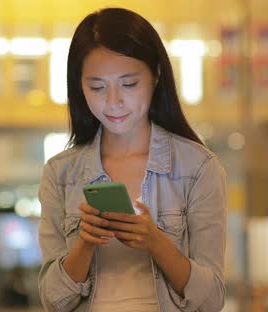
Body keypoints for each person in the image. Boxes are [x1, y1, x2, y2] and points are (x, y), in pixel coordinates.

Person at [37, 7, 226, 312]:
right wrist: (84, 243)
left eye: (129, 84)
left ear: (156, 75)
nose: (113, 101)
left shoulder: (198, 168)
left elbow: (211, 299)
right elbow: (52, 300)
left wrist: (156, 242)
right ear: (79, 87)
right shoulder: (60, 174)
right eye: (97, 87)